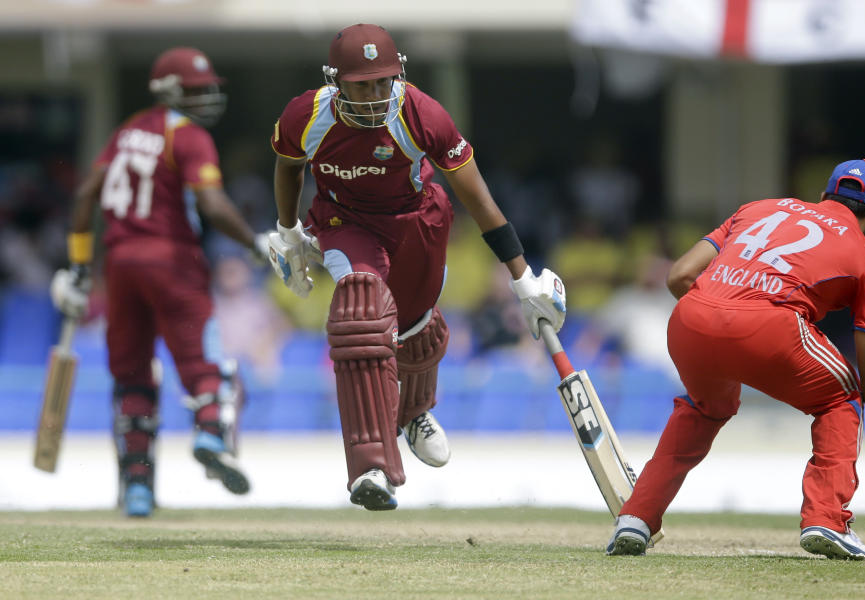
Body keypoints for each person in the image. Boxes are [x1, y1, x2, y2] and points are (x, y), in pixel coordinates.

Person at [266, 23, 566, 510]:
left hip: (416, 221)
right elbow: (288, 165)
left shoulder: (421, 113)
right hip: (345, 220)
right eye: (362, 84)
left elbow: (479, 199)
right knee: (361, 310)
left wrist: (522, 278)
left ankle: (415, 412)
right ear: (335, 80)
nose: (375, 95)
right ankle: (372, 467)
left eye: (384, 82)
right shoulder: (308, 113)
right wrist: (288, 231)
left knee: (414, 329)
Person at [606, 159, 865, 559]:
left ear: (823, 196)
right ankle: (827, 519)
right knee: (843, 397)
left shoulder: (758, 207)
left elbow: (679, 276)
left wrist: (718, 323)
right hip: (768, 328)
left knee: (704, 408)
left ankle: (636, 518)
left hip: (690, 319)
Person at [50, 47, 270, 517]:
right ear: (172, 91)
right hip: (172, 261)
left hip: (120, 266)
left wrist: (80, 266)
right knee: (207, 366)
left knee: (131, 376)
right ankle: (211, 433)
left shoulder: (126, 130)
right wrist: (254, 244)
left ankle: (137, 487)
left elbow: (87, 195)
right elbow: (211, 205)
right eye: (196, 90)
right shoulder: (188, 136)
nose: (206, 97)